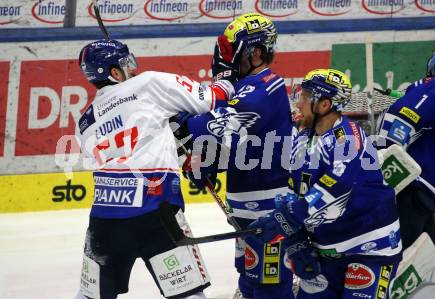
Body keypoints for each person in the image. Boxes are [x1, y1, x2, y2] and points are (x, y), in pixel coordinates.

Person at [74, 39, 236, 299]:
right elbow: (213, 100)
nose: (133, 69)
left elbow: (120, 148)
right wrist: (227, 76)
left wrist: (163, 122)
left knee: (89, 295)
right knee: (188, 294)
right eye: (127, 64)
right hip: (157, 214)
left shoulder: (83, 122)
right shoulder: (148, 84)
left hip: (103, 223)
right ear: (115, 72)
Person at [250, 69, 402, 298]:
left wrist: (291, 215)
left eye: (304, 97)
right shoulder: (302, 139)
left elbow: (337, 186)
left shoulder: (349, 136)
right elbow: (295, 192)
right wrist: (295, 240)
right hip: (326, 252)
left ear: (324, 105)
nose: (298, 104)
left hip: (369, 249)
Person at [179, 12, 294, 299]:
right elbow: (237, 144)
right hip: (245, 204)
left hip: (270, 209)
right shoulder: (242, 87)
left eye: (231, 52)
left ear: (255, 52)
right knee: (248, 276)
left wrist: (177, 117)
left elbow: (214, 126)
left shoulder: (268, 86)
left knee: (271, 286)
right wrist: (208, 162)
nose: (224, 60)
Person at [376, 47, 435, 250]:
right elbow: (394, 127)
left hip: (426, 201)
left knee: (428, 272)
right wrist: (376, 186)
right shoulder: (433, 88)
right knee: (394, 267)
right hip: (408, 196)